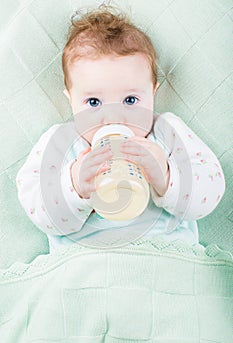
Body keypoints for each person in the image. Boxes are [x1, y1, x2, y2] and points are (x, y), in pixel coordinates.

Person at [16, 5, 225, 252]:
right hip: (84, 267)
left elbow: (210, 192)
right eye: (93, 103)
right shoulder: (61, 143)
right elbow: (39, 211)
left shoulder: (167, 133)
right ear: (70, 100)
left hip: (165, 258)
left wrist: (167, 176)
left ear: (153, 93)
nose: (114, 117)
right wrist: (74, 183)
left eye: (130, 101)